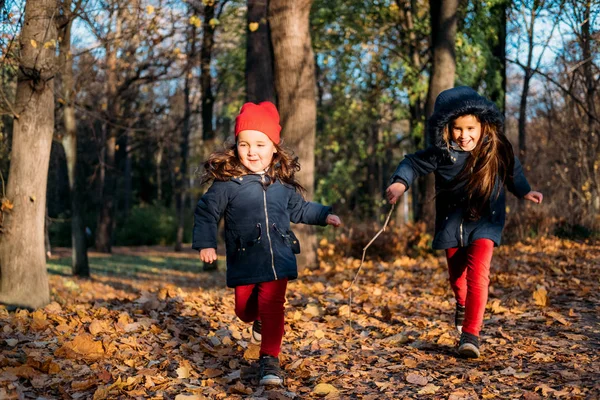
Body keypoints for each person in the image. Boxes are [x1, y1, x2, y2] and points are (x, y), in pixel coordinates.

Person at [386, 87, 543, 358]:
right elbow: (412, 164)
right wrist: (400, 184)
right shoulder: (442, 152)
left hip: (486, 222)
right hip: (451, 224)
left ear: (482, 125)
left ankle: (471, 336)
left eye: (470, 128)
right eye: (457, 129)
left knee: (478, 276)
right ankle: (462, 303)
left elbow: (512, 169)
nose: (464, 135)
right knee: (458, 279)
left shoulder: (495, 148)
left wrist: (525, 190)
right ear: (447, 129)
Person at [193, 101, 341, 385]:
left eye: (260, 145)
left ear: (274, 147)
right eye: (244, 144)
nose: (252, 151)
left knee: (274, 306)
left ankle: (270, 362)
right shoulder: (227, 184)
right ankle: (256, 318)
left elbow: (300, 209)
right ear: (235, 147)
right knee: (244, 311)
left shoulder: (282, 185)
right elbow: (206, 212)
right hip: (245, 257)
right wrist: (205, 243)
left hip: (279, 256)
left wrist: (324, 214)